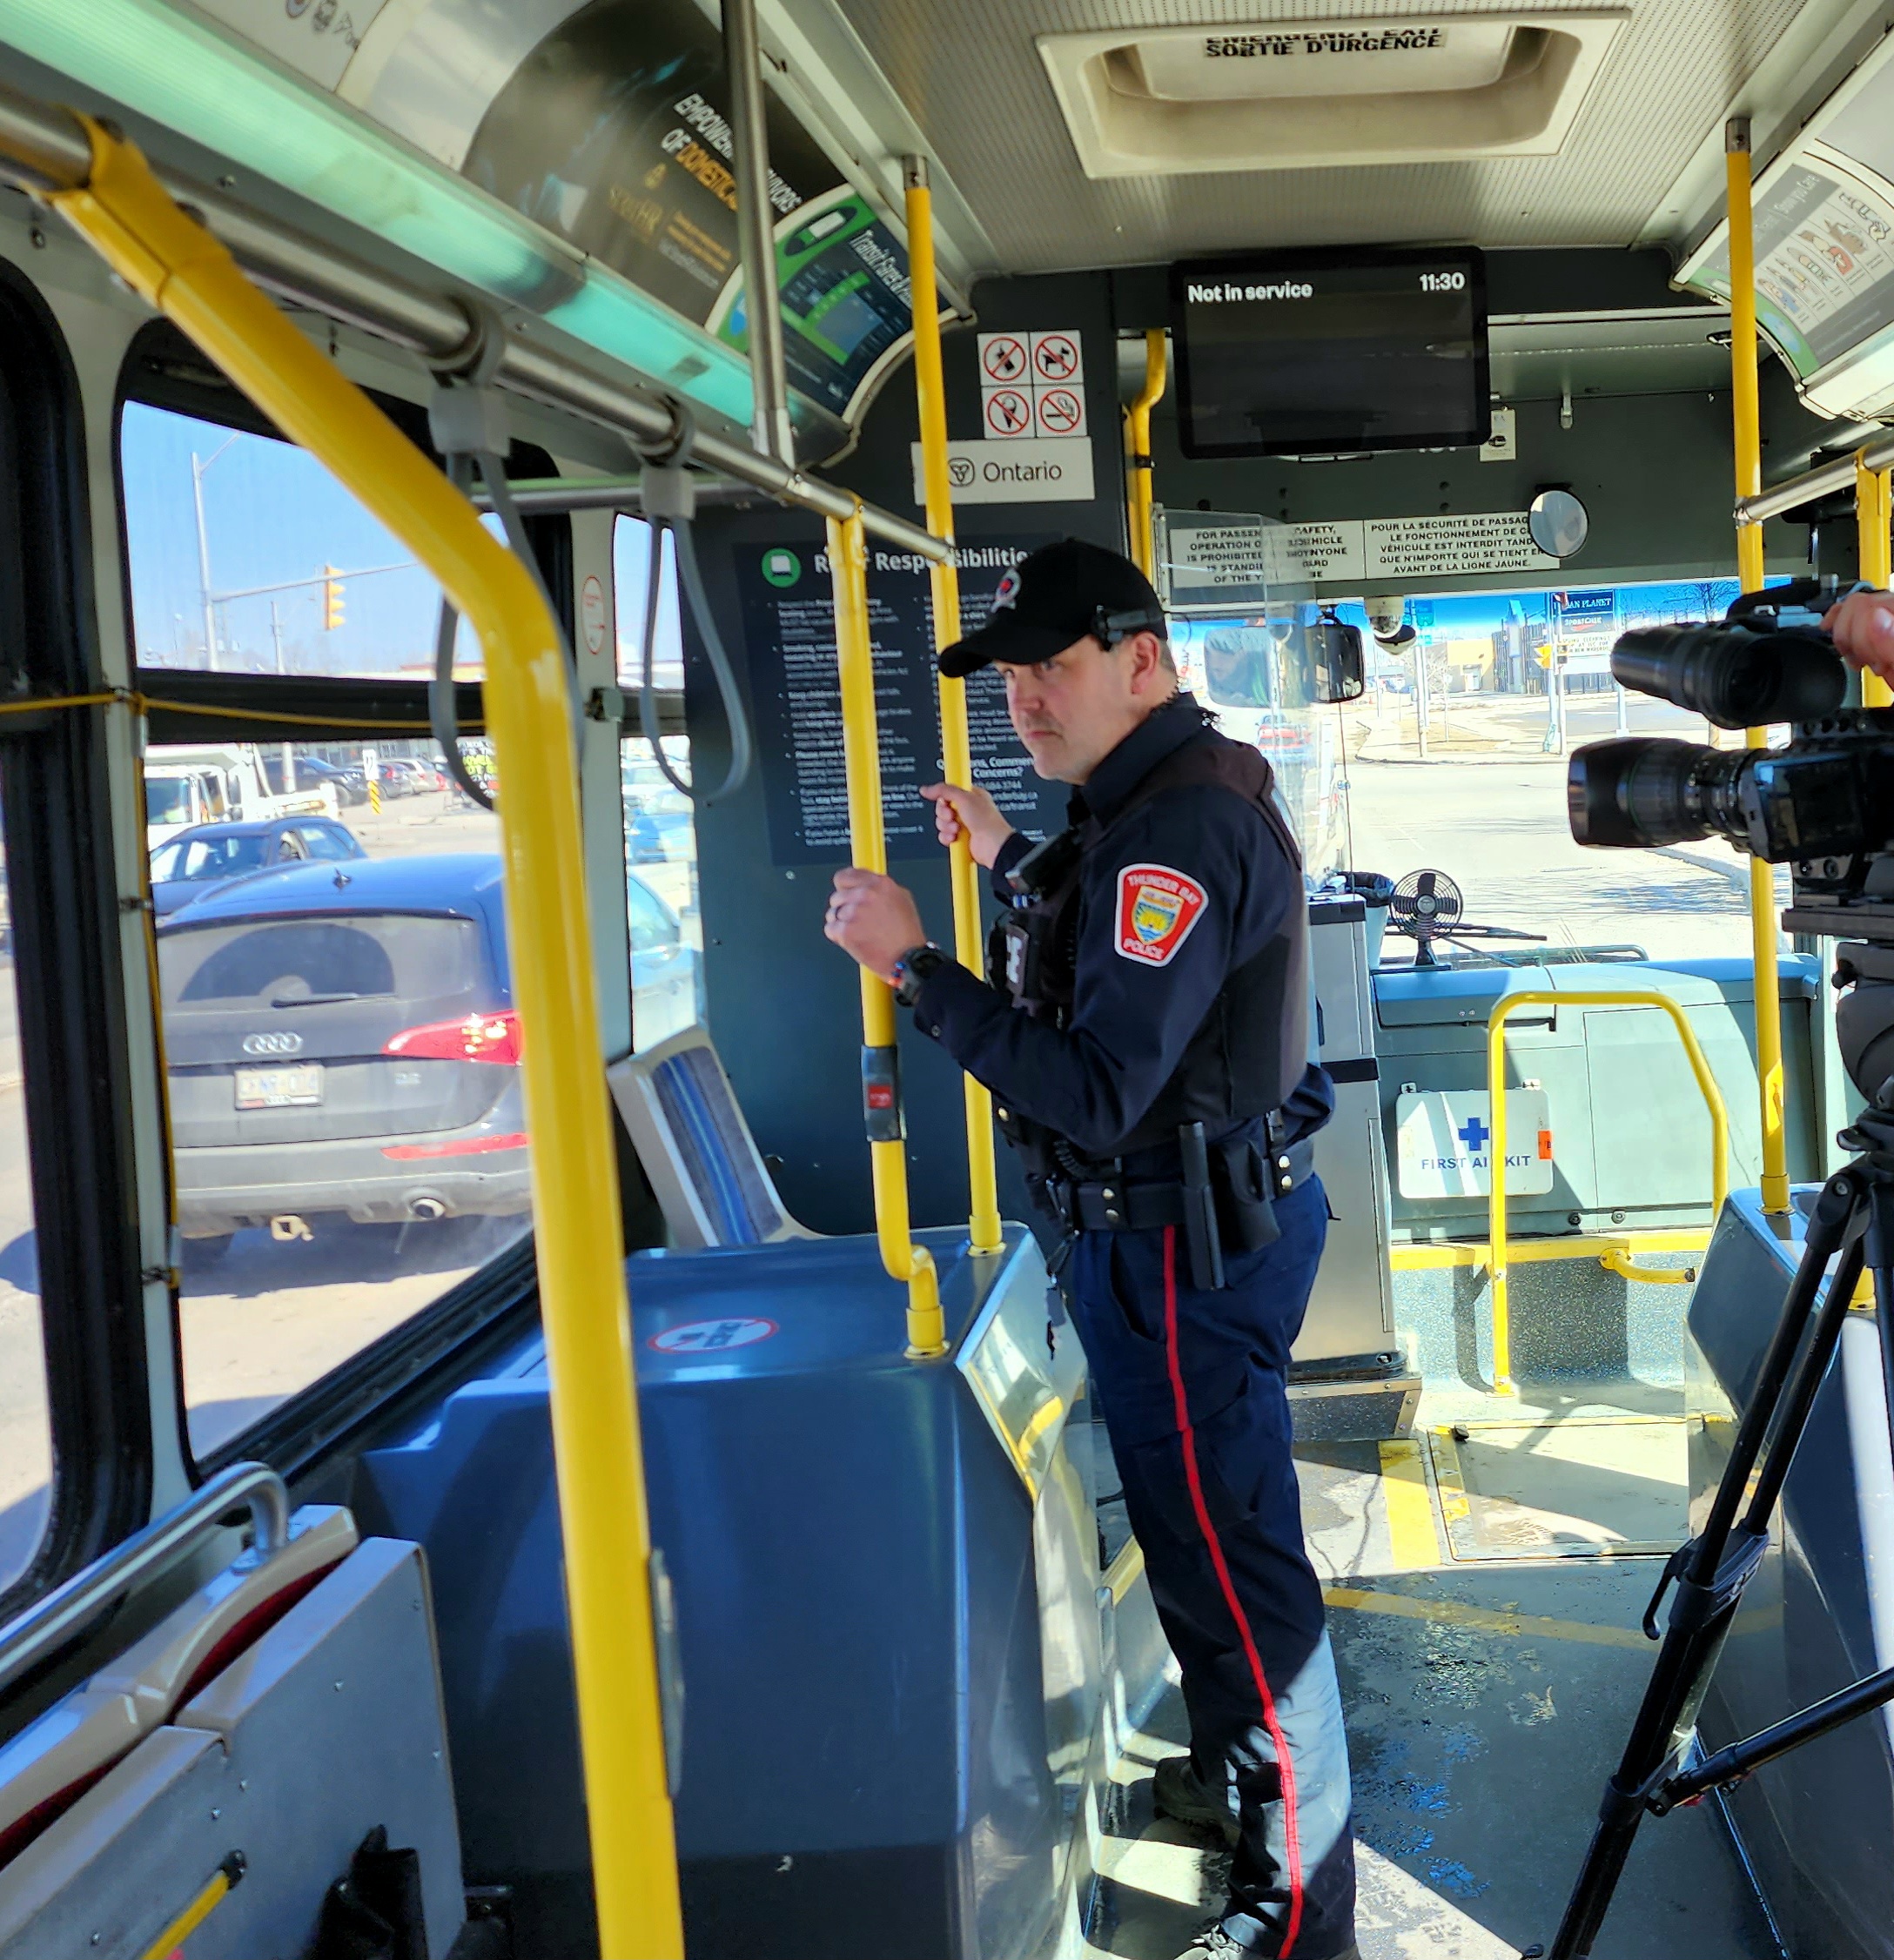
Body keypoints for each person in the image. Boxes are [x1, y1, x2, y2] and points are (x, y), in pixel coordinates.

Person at [823, 537, 1356, 1960]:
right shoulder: (1161, 798)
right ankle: (1254, 1793)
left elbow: (1099, 1087)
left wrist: (912, 970)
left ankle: (1299, 1910)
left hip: (1181, 1254)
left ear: (1140, 658)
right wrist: (1001, 852)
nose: (1024, 701)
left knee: (1240, 1583)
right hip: (1192, 1232)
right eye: (1008, 677)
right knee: (1200, 1558)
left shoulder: (1174, 830)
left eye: (1049, 669)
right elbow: (1110, 930)